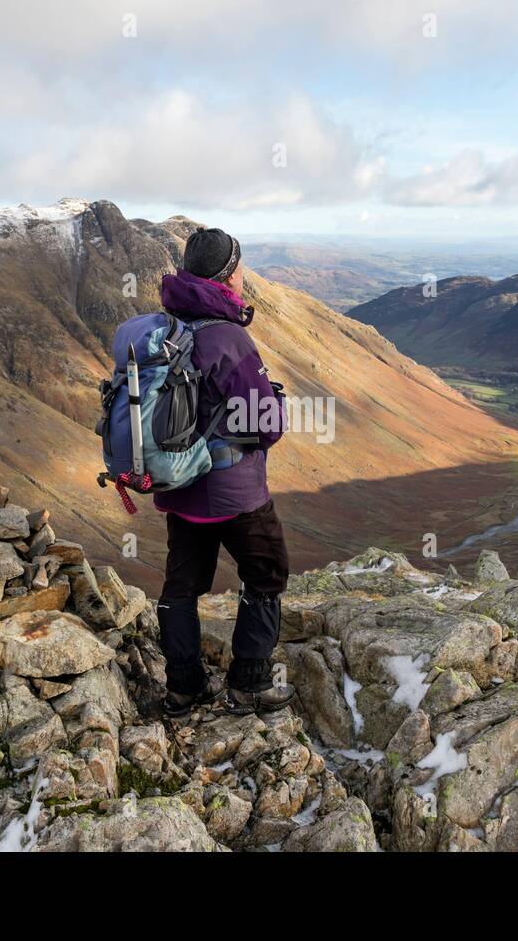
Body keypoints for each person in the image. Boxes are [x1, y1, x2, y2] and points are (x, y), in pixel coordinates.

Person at [154, 227, 295, 717]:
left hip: (179, 488)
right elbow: (265, 424)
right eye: (239, 268)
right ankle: (250, 684)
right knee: (266, 573)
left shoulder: (165, 327)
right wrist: (274, 403)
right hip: (233, 492)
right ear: (228, 275)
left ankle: (184, 687)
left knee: (182, 587)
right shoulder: (228, 338)